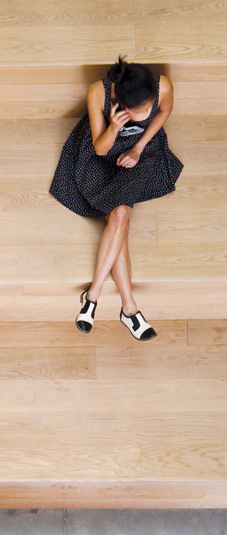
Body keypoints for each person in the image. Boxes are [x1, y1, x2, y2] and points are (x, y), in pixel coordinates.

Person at [50, 56, 182, 341]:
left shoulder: (163, 86)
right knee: (119, 217)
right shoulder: (98, 92)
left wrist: (138, 147)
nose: (147, 110)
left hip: (140, 151)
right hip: (103, 153)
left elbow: (163, 112)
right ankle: (128, 307)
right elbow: (99, 149)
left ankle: (93, 295)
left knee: (119, 216)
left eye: (148, 105)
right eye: (140, 110)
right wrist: (113, 126)